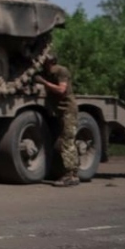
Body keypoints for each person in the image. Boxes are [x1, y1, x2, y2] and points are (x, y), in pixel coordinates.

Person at [35, 53, 80, 187]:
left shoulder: (61, 71)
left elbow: (61, 89)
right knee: (65, 141)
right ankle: (72, 173)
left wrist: (44, 82)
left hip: (68, 110)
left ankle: (70, 175)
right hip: (59, 111)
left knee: (67, 141)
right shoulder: (46, 73)